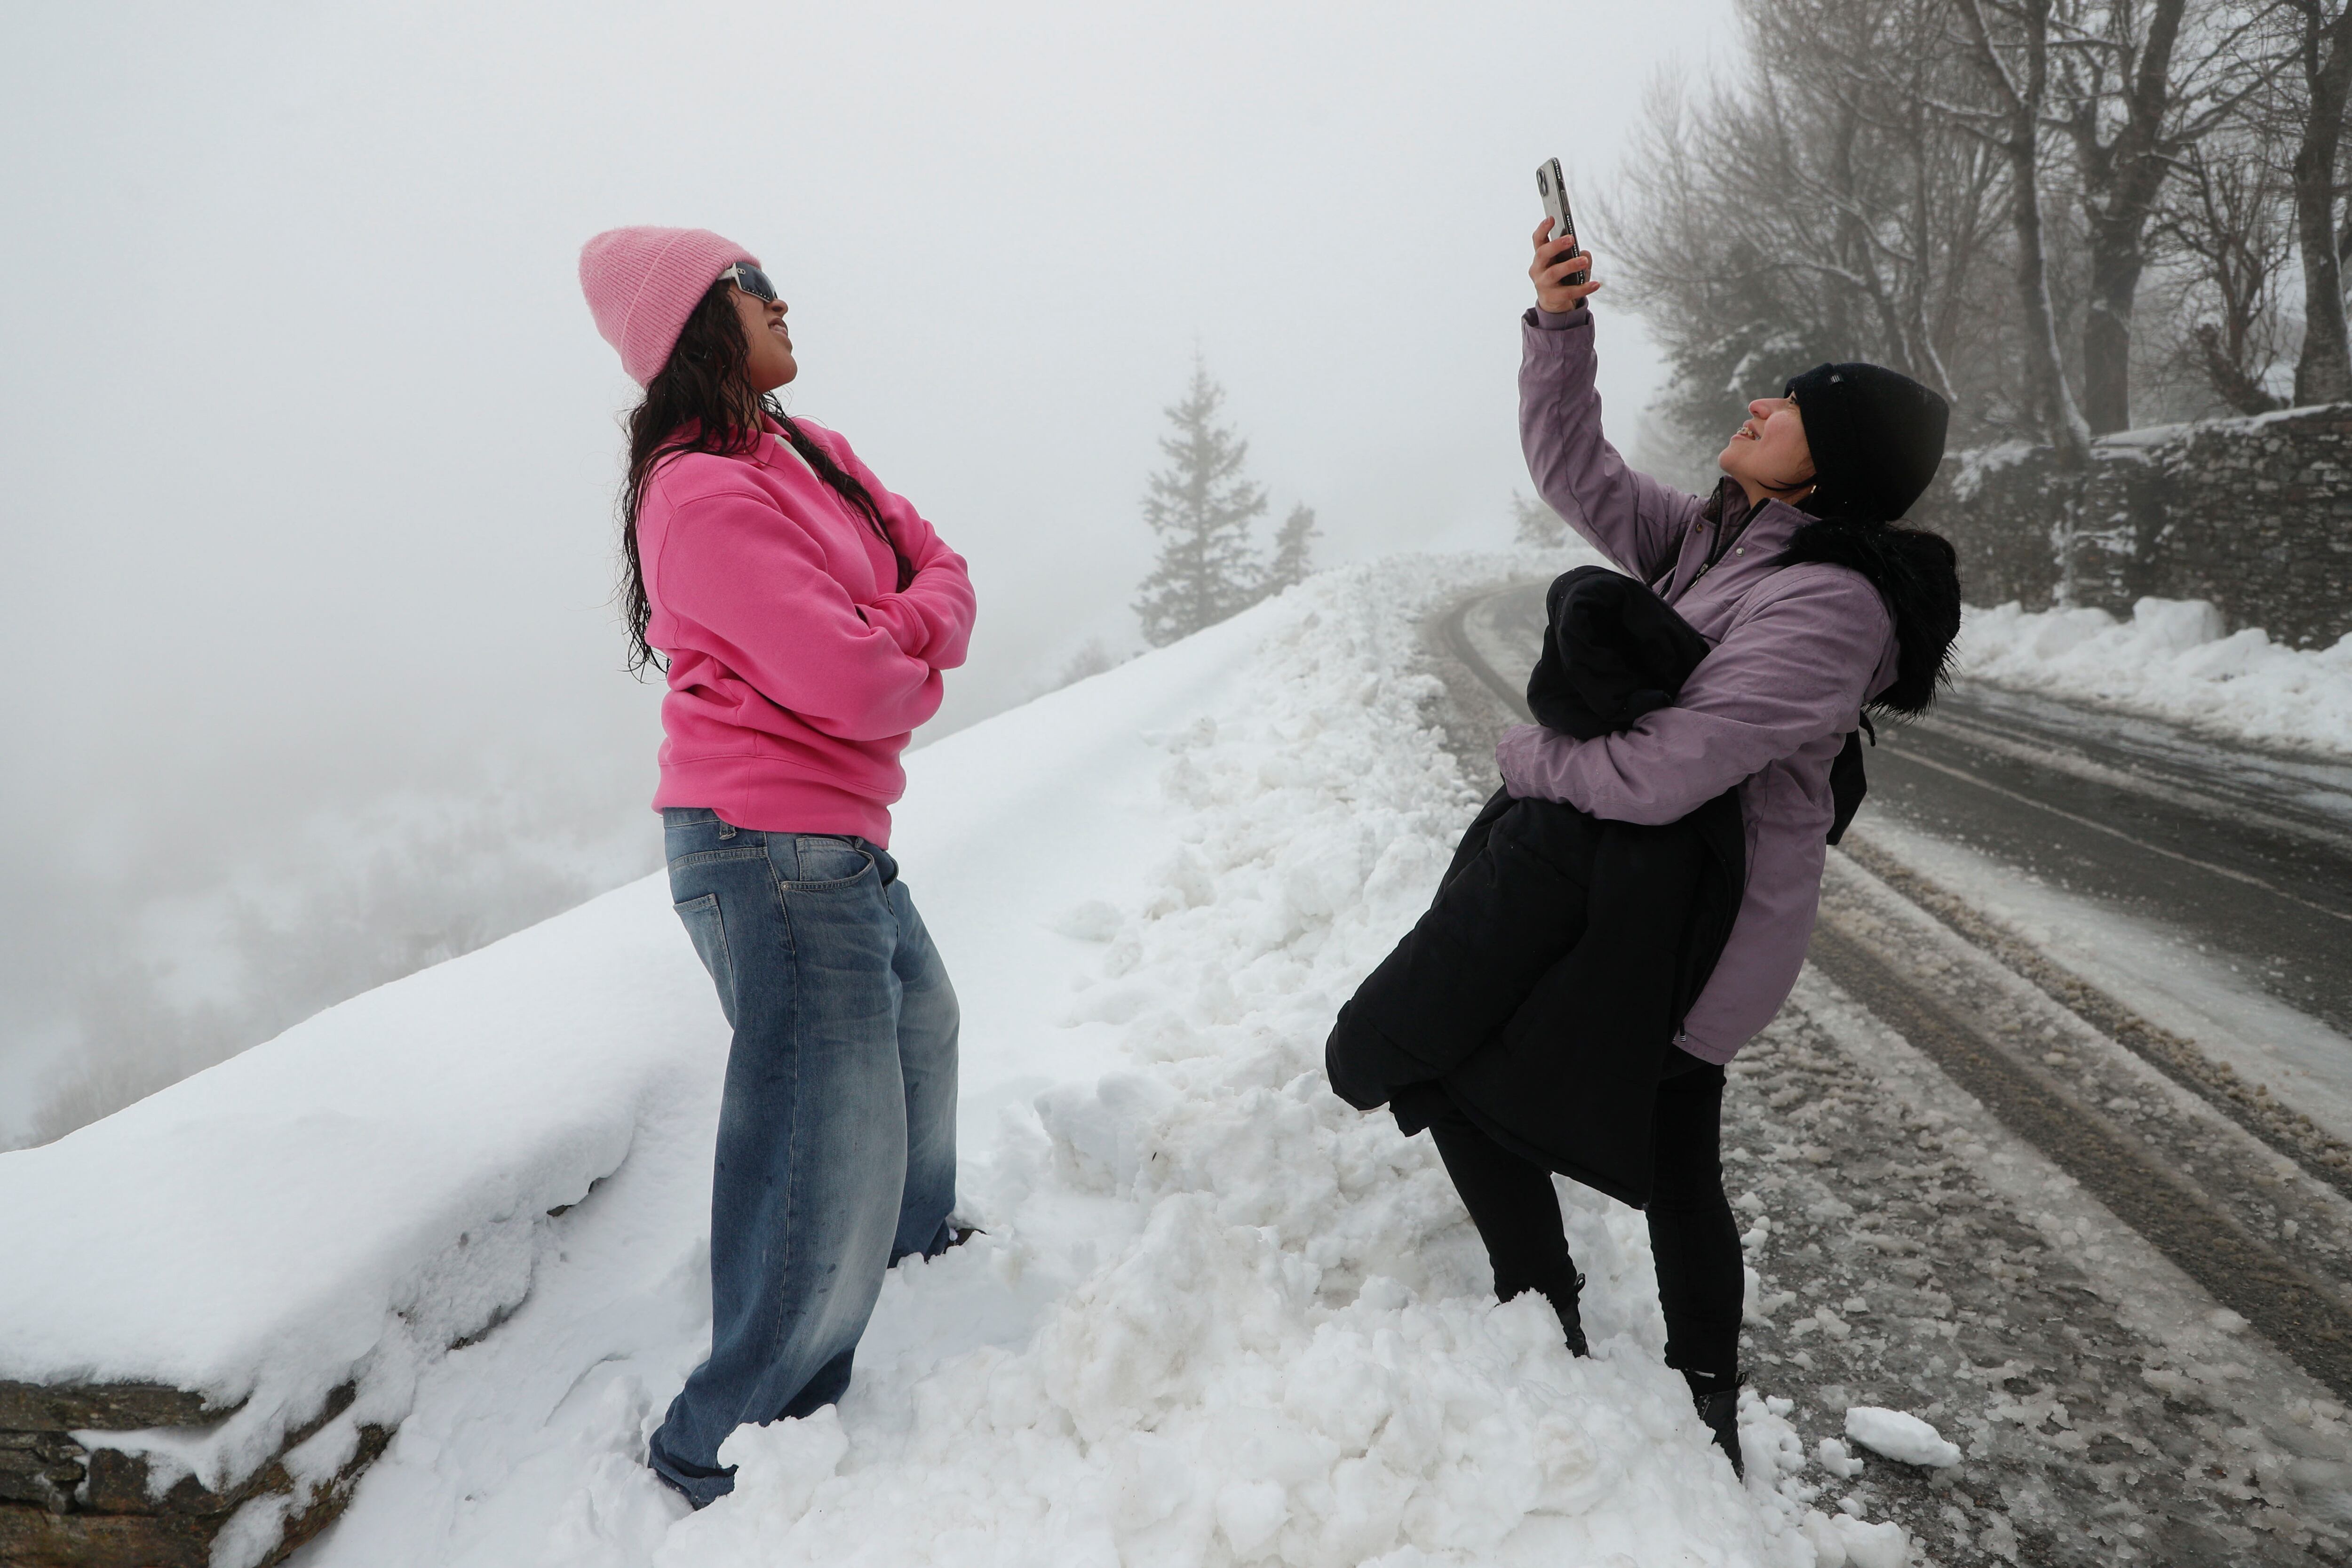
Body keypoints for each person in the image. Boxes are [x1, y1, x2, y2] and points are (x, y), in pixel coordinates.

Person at [1340, 219, 1960, 1477]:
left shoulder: (1832, 605)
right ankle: (1586, 1333)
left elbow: (1670, 770)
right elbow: (1577, 471)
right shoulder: (1718, 539)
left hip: (1699, 930)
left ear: (1832, 460)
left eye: (1787, 408)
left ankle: (1680, 1386)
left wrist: (1525, 760)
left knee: (1602, 1122)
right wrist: (1560, 329)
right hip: (1638, 898)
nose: (1757, 403)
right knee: (1630, 1138)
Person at [577, 226, 977, 1509]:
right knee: (825, 1130)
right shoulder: (695, 495)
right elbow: (857, 679)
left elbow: (944, 572)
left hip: (835, 833)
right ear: (704, 316)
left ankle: (910, 1255)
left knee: (923, 1028)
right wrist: (897, 640)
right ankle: (729, 1434)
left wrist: (894, 628)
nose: (784, 299)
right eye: (756, 286)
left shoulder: (802, 448)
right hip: (766, 844)